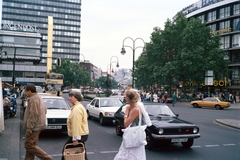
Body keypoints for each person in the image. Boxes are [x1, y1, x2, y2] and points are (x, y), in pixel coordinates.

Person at [114, 89, 152, 160]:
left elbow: (126, 124)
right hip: (131, 136)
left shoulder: (136, 109)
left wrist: (126, 113)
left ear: (129, 98)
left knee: (130, 156)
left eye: (126, 96)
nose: (125, 98)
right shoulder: (131, 107)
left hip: (134, 137)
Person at [22, 83, 53, 160]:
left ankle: (47, 158)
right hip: (39, 124)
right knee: (32, 146)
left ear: (29, 91)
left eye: (25, 91)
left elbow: (33, 114)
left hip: (34, 126)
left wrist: (29, 128)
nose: (24, 93)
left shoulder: (33, 99)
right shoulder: (39, 97)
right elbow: (45, 110)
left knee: (28, 145)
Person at [61, 91, 89, 160]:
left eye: (71, 97)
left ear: (76, 98)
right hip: (81, 134)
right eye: (69, 96)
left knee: (66, 152)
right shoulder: (78, 107)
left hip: (79, 135)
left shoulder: (77, 109)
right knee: (81, 153)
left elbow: (76, 125)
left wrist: (75, 139)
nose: (69, 98)